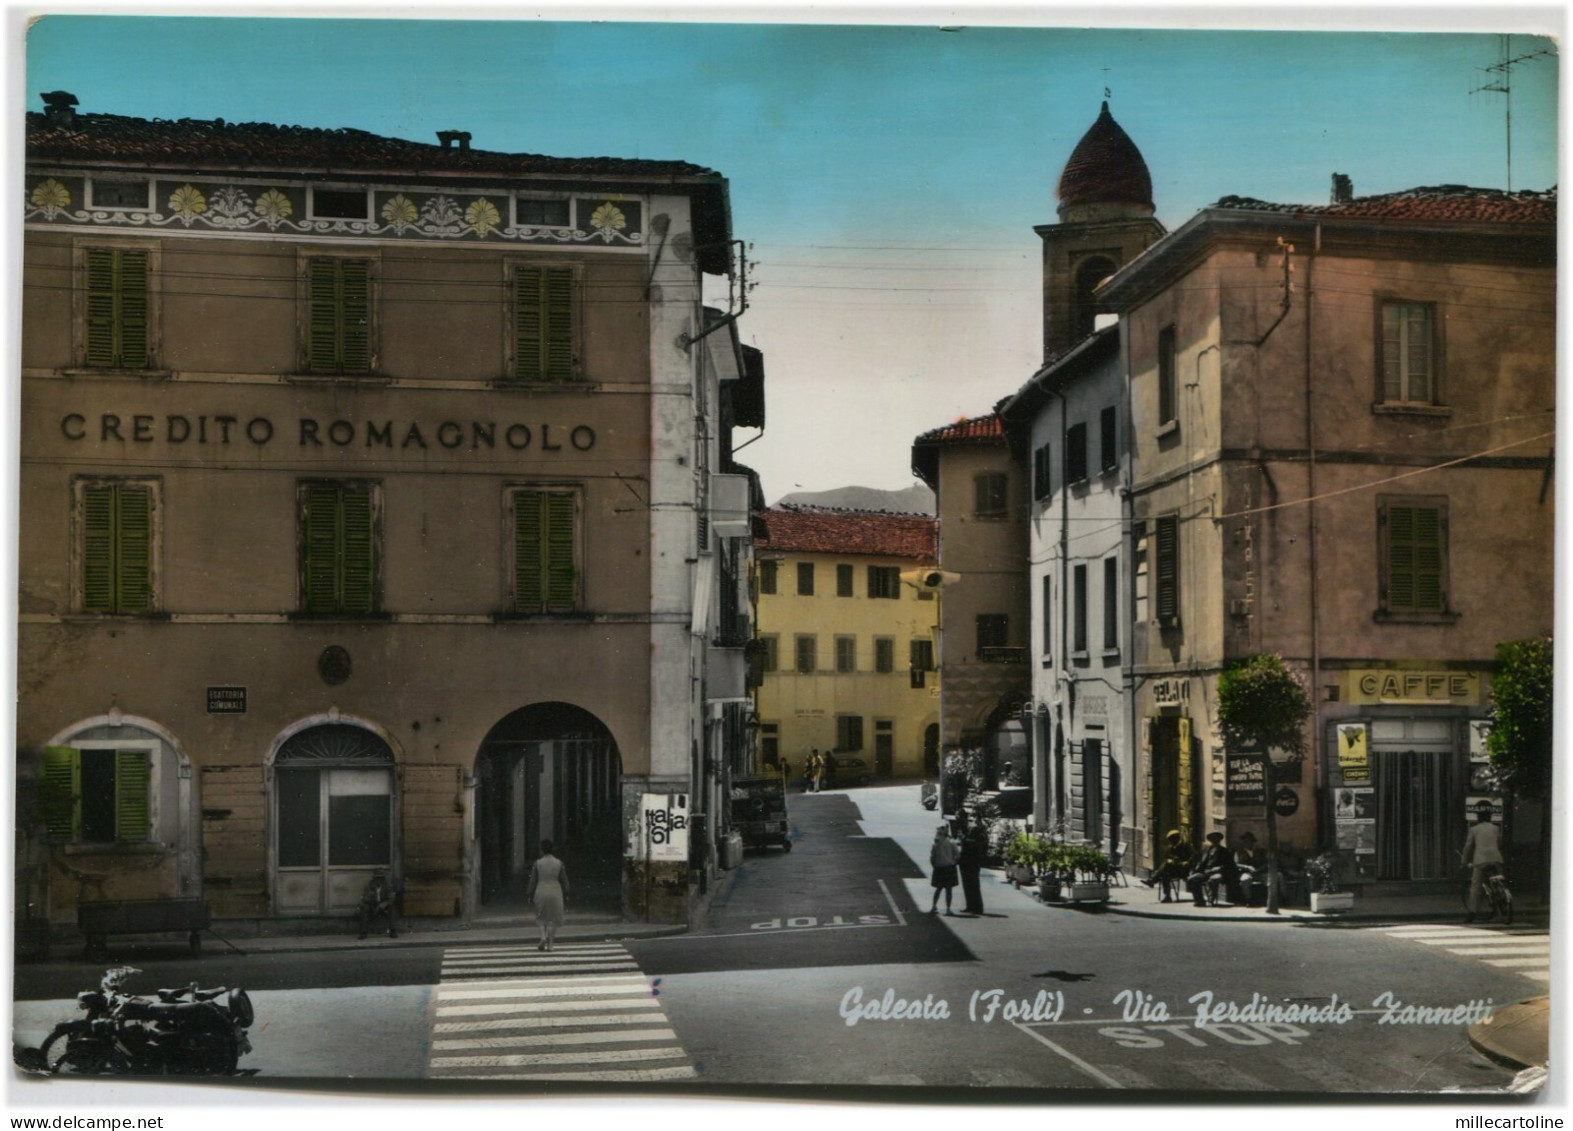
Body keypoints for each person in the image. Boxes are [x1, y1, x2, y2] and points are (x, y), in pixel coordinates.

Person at [1461, 801, 1505, 922]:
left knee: (1475, 886)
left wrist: (1464, 861)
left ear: (1478, 817)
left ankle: (1472, 913)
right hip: (1496, 858)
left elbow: (1468, 846)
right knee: (1498, 880)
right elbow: (1499, 843)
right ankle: (1503, 898)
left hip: (1481, 860)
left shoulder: (1474, 829)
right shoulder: (1495, 828)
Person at [527, 839, 570, 950]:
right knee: (553, 919)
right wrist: (567, 892)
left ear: (542, 849)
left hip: (541, 889)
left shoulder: (537, 863)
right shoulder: (559, 863)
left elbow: (533, 881)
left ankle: (543, 937)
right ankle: (550, 945)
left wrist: (529, 893)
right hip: (555, 890)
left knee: (541, 916)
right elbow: (564, 880)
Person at [1186, 831, 1239, 907]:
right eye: (1212, 838)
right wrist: (1195, 871)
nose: (1214, 840)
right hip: (1206, 872)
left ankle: (1211, 899)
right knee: (1192, 879)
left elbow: (1230, 865)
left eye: (1216, 838)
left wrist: (1219, 868)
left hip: (1218, 873)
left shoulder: (1224, 851)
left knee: (1214, 879)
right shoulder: (1207, 850)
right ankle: (1199, 900)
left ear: (1220, 839)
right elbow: (1201, 863)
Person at [1142, 829, 1192, 902]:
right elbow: (1166, 857)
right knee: (1165, 874)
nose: (1171, 842)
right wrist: (1170, 860)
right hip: (1172, 869)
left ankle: (1152, 880)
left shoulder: (1186, 846)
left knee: (1166, 866)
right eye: (1170, 841)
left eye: (1172, 840)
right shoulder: (1170, 847)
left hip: (1182, 870)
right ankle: (1167, 896)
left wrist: (1186, 862)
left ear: (1176, 839)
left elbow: (1194, 856)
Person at [356, 869, 399, 939]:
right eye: (376, 878)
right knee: (363, 907)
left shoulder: (388, 885)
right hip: (372, 906)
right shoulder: (368, 886)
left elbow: (392, 898)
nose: (378, 880)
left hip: (384, 907)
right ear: (373, 879)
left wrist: (382, 905)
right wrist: (370, 895)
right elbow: (364, 899)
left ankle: (393, 930)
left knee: (392, 907)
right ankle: (363, 932)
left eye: (380, 878)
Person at [929, 824, 961, 915]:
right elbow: (958, 855)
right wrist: (954, 862)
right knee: (949, 889)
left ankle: (934, 906)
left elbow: (932, 858)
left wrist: (934, 866)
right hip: (949, 867)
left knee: (938, 888)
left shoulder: (935, 844)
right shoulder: (951, 842)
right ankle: (948, 909)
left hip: (939, 868)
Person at [957, 818, 987, 915]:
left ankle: (977, 907)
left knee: (973, 885)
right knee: (968, 885)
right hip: (966, 862)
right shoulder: (967, 830)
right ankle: (970, 906)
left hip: (972, 862)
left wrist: (963, 839)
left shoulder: (974, 831)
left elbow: (972, 844)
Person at [1233, 831, 1269, 905]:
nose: (1248, 843)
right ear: (1243, 842)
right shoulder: (1238, 852)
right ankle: (1248, 899)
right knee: (1244, 880)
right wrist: (1247, 867)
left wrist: (1259, 870)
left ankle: (1267, 900)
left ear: (1253, 842)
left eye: (1250, 841)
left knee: (1270, 879)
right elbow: (1236, 864)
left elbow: (1266, 863)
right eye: (1246, 841)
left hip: (1259, 873)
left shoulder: (1259, 852)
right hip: (1246, 873)